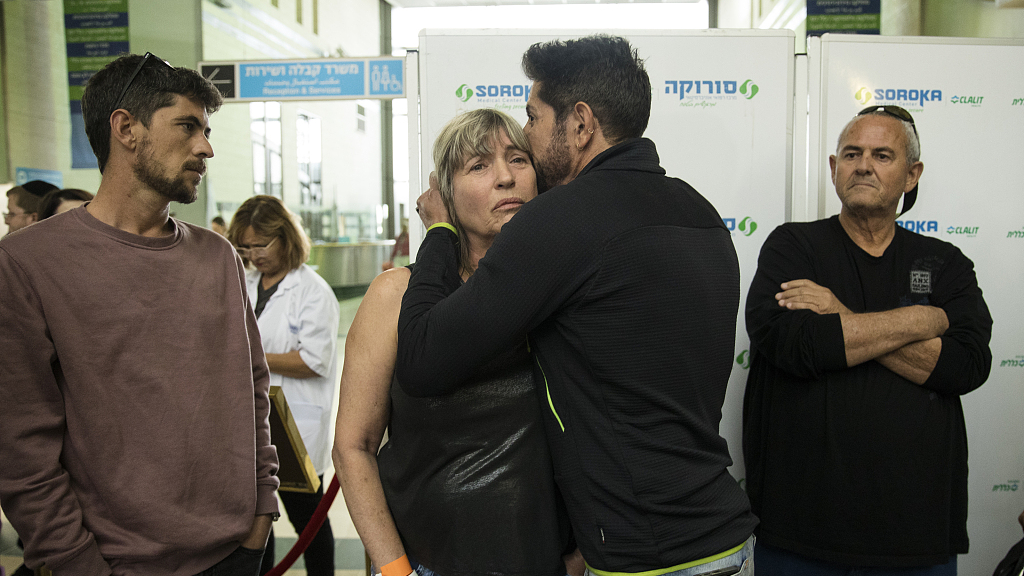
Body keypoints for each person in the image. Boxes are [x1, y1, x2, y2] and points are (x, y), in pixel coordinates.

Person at [396, 36, 757, 576]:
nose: (528, 139)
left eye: (534, 120)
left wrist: (441, 230)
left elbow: (424, 358)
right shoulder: (699, 211)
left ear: (581, 124)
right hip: (726, 536)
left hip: (649, 557)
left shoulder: (563, 219)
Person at [0, 52, 279, 575]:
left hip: (235, 553)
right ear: (126, 128)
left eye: (207, 128)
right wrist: (73, 561)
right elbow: (21, 445)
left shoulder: (217, 256)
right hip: (112, 562)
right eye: (187, 126)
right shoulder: (27, 264)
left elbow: (252, 389)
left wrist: (260, 513)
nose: (206, 147)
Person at [743, 105, 992, 576]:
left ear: (911, 175)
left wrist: (840, 315)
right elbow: (793, 345)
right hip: (799, 534)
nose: (863, 165)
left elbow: (965, 365)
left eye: (882, 155)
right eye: (852, 153)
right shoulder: (791, 247)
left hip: (916, 537)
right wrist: (922, 319)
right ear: (834, 169)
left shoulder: (946, 263)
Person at [333, 108, 574, 576]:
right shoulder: (396, 295)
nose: (505, 177)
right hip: (428, 564)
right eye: (479, 165)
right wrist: (397, 570)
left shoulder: (563, 290)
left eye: (518, 159)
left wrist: (580, 557)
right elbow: (353, 445)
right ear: (443, 193)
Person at [226, 195, 339, 576]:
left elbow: (313, 360)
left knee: (308, 520)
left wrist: (251, 358)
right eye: (246, 247)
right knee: (257, 517)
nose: (254, 255)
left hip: (294, 423)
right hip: (247, 420)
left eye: (261, 245)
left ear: (285, 238)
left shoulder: (312, 290)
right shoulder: (244, 282)